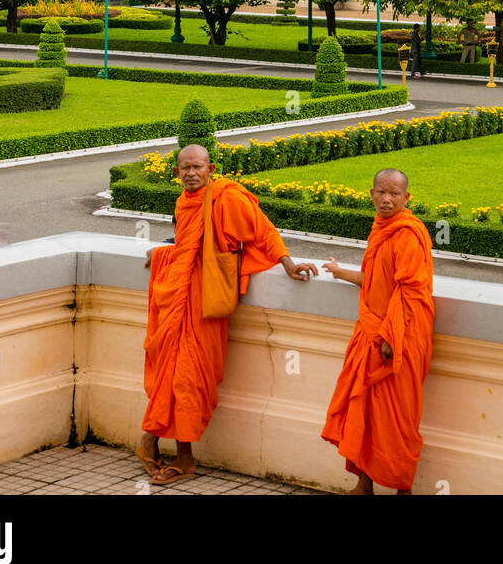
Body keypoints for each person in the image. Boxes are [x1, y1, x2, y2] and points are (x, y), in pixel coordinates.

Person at [138, 144, 318, 485]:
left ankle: (160, 446)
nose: (191, 173)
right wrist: (164, 251)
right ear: (176, 173)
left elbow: (262, 230)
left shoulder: (226, 198)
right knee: (174, 375)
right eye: (185, 168)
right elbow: (190, 244)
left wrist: (288, 263)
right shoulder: (182, 203)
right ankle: (173, 452)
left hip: (207, 303)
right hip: (181, 298)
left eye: (198, 167)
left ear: (211, 168)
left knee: (190, 378)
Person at [321, 168, 435, 495]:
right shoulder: (382, 228)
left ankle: (403, 489)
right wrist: (341, 272)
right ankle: (363, 485)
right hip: (373, 333)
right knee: (365, 413)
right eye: (381, 192)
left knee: (399, 419)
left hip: (400, 338)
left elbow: (411, 292)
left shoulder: (408, 233)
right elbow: (375, 279)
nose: (386, 199)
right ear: (371, 193)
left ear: (406, 198)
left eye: (394, 194)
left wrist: (391, 337)